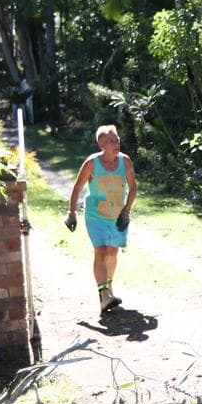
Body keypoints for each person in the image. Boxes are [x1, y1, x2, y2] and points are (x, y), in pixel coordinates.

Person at [66, 125, 136, 313]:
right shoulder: (91, 163)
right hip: (95, 216)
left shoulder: (125, 161)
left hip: (118, 215)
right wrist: (71, 213)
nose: (116, 143)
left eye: (117, 139)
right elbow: (77, 187)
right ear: (101, 144)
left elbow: (133, 188)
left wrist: (126, 212)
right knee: (102, 250)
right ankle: (103, 295)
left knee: (113, 252)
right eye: (111, 141)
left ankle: (109, 288)